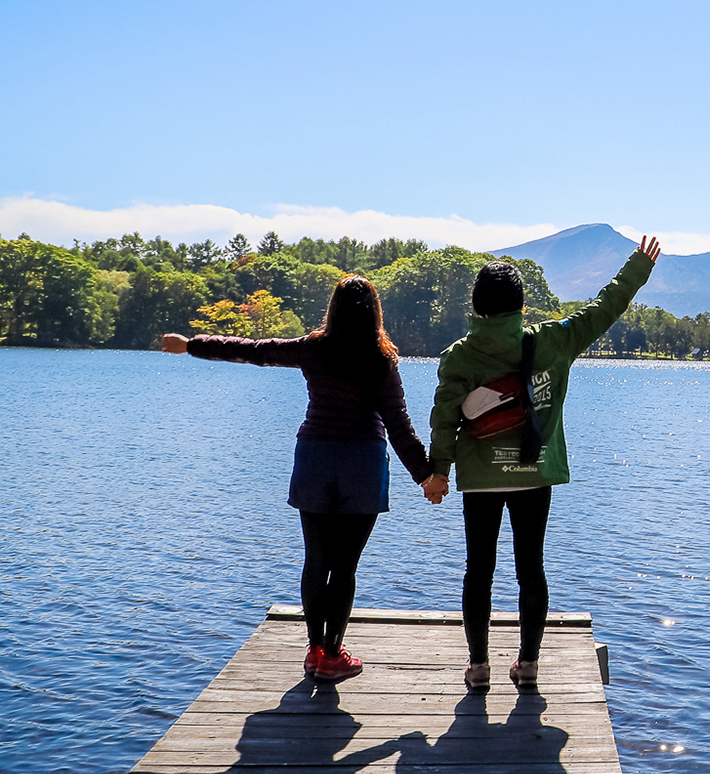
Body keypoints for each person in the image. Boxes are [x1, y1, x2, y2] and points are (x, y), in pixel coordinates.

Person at [161, 275, 432, 683]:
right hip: (362, 462)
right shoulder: (380, 361)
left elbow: (253, 351)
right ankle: (333, 653)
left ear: (333, 310)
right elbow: (398, 424)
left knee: (316, 558)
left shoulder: (313, 349)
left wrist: (190, 345)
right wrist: (426, 475)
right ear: (375, 312)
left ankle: (314, 651)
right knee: (344, 568)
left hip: (315, 457)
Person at [422, 237, 660, 691]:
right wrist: (637, 267)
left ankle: (478, 667)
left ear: (476, 306)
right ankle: (528, 664)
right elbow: (603, 309)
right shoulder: (553, 340)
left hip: (481, 479)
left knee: (479, 569)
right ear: (521, 306)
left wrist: (439, 471)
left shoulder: (459, 356)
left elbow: (444, 418)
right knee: (531, 567)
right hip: (534, 474)